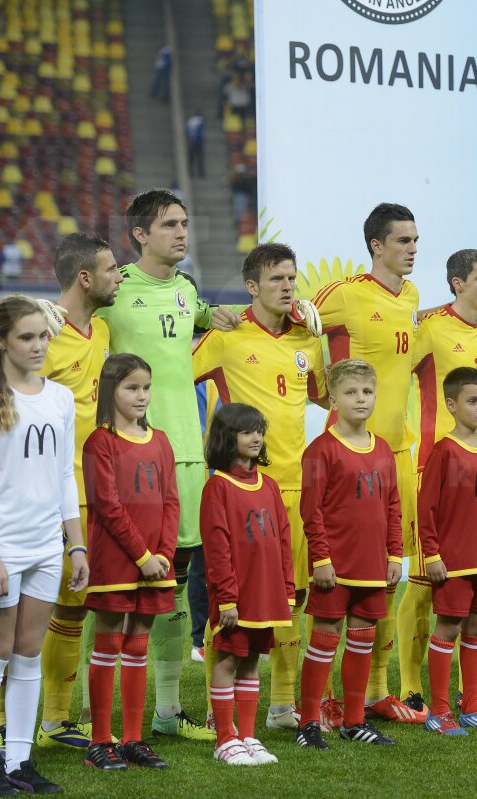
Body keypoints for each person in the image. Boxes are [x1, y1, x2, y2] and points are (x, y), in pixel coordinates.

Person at [97, 189, 233, 742]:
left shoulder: (185, 290)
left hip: (188, 451)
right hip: (131, 454)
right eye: (170, 225)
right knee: (119, 586)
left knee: (174, 581)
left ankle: (168, 712)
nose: (182, 233)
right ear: (140, 235)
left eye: (185, 223)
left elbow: (206, 315)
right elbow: (73, 315)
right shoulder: (115, 288)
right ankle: (87, 718)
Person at [192, 242, 327, 731]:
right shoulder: (226, 337)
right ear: (252, 287)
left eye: (292, 278)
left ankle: (282, 706)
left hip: (294, 486)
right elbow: (173, 374)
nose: (288, 286)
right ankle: (216, 704)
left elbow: (328, 395)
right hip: (241, 489)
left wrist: (324, 339)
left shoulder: (305, 339)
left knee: (293, 598)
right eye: (276, 279)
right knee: (233, 600)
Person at [0, 296, 89, 795]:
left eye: (43, 337)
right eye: (27, 338)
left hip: (45, 547)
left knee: (29, 655)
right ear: (0, 341)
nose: (39, 346)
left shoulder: (58, 398)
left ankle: (18, 762)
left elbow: (62, 475)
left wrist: (74, 546)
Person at [311, 204, 423, 724]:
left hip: (397, 454)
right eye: (403, 240)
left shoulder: (413, 297)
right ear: (377, 245)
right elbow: (296, 329)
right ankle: (312, 700)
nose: (413, 248)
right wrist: (321, 395)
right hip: (351, 460)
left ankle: (374, 691)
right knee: (332, 585)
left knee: (385, 580)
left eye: (416, 240)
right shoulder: (345, 293)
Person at [35, 233, 122, 750]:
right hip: (49, 496)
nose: (120, 276)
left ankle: (55, 721)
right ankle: (1, 722)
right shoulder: (41, 333)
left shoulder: (104, 329)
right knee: (26, 612)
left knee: (73, 607)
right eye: (112, 269)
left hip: (96, 493)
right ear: (85, 278)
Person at [405, 249, 477, 713]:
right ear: (458, 283)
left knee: (470, 590)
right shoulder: (429, 328)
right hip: (432, 463)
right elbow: (393, 369)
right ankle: (409, 684)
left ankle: (471, 696)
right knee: (425, 581)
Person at [296, 360, 403, 750]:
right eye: (351, 392)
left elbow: (393, 504)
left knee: (362, 640)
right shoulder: (321, 450)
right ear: (333, 401)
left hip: (372, 566)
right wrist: (321, 560)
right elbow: (312, 511)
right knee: (324, 640)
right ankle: (308, 721)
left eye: (367, 392)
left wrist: (395, 554)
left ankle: (355, 721)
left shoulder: (384, 448)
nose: (361, 399)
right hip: (334, 568)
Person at [82, 354, 178, 770]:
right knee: (108, 641)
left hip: (156, 562)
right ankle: (100, 741)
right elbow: (107, 504)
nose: (141, 396)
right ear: (110, 391)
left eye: (145, 387)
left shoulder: (160, 440)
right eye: (131, 388)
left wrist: (164, 556)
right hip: (118, 560)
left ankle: (134, 739)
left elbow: (172, 502)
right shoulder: (99, 441)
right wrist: (142, 556)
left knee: (139, 644)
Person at [201, 403, 293, 767]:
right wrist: (226, 598)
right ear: (227, 438)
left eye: (259, 430)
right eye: (246, 432)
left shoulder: (269, 485)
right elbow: (217, 546)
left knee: (252, 660)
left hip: (266, 591)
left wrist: (286, 588)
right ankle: (225, 738)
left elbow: (283, 538)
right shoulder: (217, 487)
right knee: (227, 658)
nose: (256, 437)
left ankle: (248, 735)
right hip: (234, 596)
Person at [418, 368, 477, 735]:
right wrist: (432, 554)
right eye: (473, 401)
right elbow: (427, 508)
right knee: (449, 627)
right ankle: (438, 712)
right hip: (453, 561)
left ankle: (471, 706)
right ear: (452, 405)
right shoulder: (444, 450)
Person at [185, 111, 205, 178]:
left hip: (191, 141)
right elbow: (199, 132)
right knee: (199, 157)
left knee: (191, 159)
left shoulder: (190, 121)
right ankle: (201, 173)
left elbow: (187, 131)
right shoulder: (200, 120)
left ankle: (191, 173)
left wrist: (189, 140)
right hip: (198, 141)